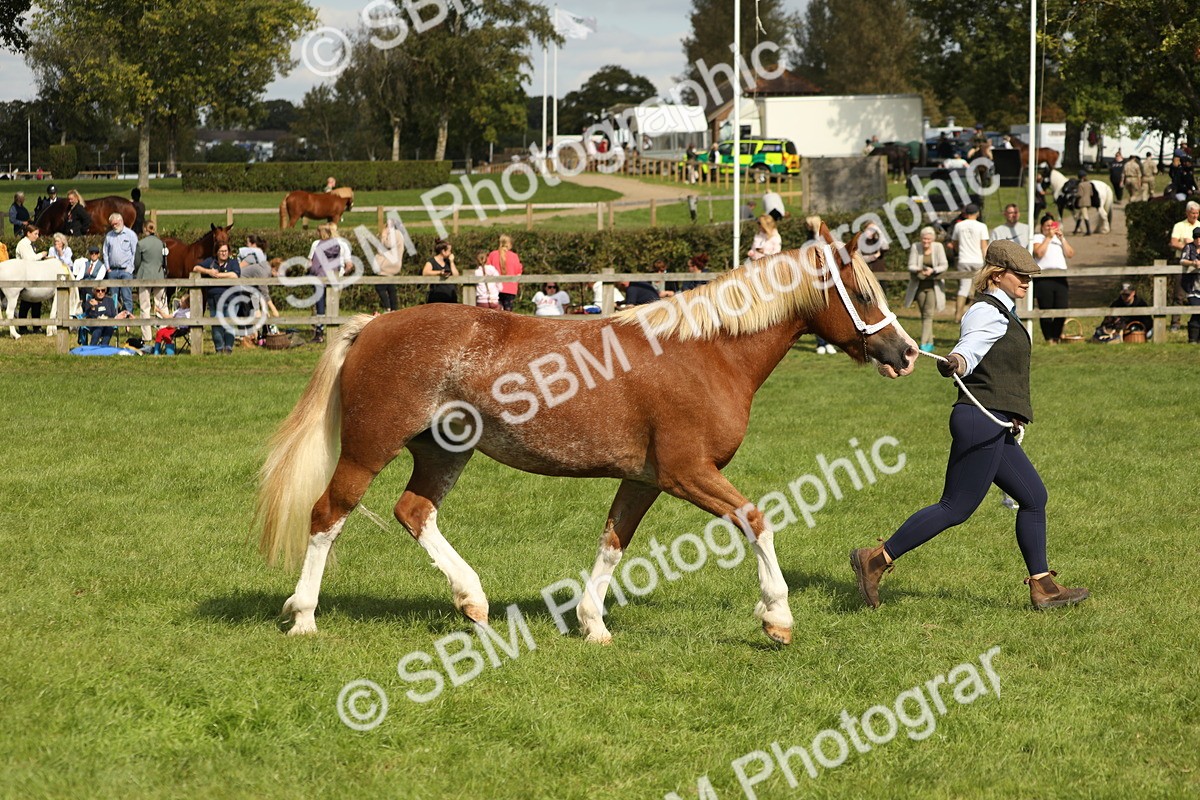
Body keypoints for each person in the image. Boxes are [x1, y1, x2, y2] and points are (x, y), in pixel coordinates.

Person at [850, 240, 1089, 612]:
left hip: (993, 423)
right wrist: (958, 362)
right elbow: (972, 346)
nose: (1027, 281)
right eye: (1021, 275)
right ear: (997, 275)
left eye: (1029, 276)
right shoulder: (986, 312)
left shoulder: (1005, 311)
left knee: (1033, 497)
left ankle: (1043, 586)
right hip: (980, 420)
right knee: (955, 508)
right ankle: (875, 559)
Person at [1031, 214, 1074, 343]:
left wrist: (1062, 239)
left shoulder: (1058, 239)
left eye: (1052, 225)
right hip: (1044, 278)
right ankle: (1049, 338)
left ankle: (1056, 335)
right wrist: (1048, 238)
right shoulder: (1038, 237)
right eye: (1047, 226)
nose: (1050, 228)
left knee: (1062, 308)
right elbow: (1038, 253)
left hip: (1060, 277)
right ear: (1042, 227)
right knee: (1046, 309)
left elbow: (1070, 254)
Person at [904, 226, 948, 352]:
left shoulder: (938, 247)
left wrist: (933, 270)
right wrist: (919, 269)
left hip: (934, 286)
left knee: (929, 314)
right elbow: (911, 265)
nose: (926, 242)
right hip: (919, 286)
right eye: (924, 239)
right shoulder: (915, 247)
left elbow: (944, 265)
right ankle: (930, 342)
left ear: (933, 239)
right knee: (924, 315)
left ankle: (923, 345)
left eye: (928, 239)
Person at [306, 224, 352, 343]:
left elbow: (313, 264)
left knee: (319, 306)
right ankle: (334, 333)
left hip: (320, 278)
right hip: (334, 277)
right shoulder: (339, 245)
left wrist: (311, 273)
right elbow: (345, 264)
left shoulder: (318, 245)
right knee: (332, 306)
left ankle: (319, 332)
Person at [192, 242, 241, 353]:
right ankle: (219, 349)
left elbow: (235, 275)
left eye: (225, 251)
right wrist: (208, 271)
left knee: (229, 324)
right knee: (216, 325)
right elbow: (195, 268)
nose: (224, 253)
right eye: (221, 251)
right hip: (214, 299)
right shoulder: (211, 261)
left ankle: (228, 348)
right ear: (217, 252)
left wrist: (218, 275)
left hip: (231, 298)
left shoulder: (233, 262)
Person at [947, 203, 988, 322]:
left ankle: (957, 316)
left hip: (963, 259)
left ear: (965, 213)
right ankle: (974, 316)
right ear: (977, 213)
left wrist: (959, 251)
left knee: (963, 288)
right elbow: (984, 246)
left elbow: (954, 243)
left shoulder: (959, 226)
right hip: (977, 260)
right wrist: (986, 261)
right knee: (979, 288)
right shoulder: (981, 226)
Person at [134, 220, 168, 341]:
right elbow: (165, 262)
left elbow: (137, 262)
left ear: (144, 229)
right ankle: (163, 333)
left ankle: (146, 336)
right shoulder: (162, 244)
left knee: (145, 306)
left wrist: (136, 272)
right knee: (162, 305)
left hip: (144, 275)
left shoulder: (141, 243)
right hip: (159, 275)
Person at [1169, 202, 1200, 330]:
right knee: (1179, 294)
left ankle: (1196, 322)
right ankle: (1175, 323)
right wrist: (1188, 248)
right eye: (1192, 213)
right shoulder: (1179, 226)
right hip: (1183, 263)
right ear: (1187, 213)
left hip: (1198, 263)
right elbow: (1174, 242)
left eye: (1197, 213)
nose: (1195, 215)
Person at [14, 223, 48, 332]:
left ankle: (36, 326)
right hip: (24, 276)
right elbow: (28, 259)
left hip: (32, 275)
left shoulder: (29, 244)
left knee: (36, 302)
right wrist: (41, 255)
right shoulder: (23, 244)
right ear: (28, 233)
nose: (37, 236)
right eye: (35, 234)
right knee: (26, 303)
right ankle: (23, 327)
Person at [103, 212, 138, 315]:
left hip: (125, 270)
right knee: (114, 296)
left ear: (121, 221)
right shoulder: (109, 235)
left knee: (127, 295)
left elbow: (135, 252)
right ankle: (115, 317)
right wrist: (107, 267)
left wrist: (130, 269)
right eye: (112, 225)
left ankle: (128, 317)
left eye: (116, 224)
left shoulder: (130, 234)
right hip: (113, 270)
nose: (114, 226)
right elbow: (105, 252)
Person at [373, 220, 404, 312]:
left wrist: (383, 235)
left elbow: (388, 244)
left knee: (380, 286)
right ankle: (393, 308)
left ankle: (388, 307)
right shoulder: (399, 234)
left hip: (387, 264)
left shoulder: (394, 233)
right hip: (392, 263)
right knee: (390, 287)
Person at [487, 234, 523, 311]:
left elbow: (487, 270)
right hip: (510, 289)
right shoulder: (514, 256)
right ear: (509, 244)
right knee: (508, 315)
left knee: (496, 315)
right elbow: (518, 272)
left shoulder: (492, 255)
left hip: (495, 289)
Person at [1180, 226, 1200, 344]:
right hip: (1192, 287)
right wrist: (1193, 263)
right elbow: (1182, 260)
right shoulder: (1188, 247)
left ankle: (1196, 339)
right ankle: (1192, 338)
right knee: (1197, 311)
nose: (1198, 239)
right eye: (1196, 237)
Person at [422, 239, 459, 304]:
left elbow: (456, 275)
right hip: (437, 297)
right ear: (443, 251)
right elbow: (425, 272)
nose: (451, 253)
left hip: (450, 297)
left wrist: (452, 262)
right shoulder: (431, 261)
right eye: (449, 251)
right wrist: (439, 273)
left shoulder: (449, 262)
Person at [1072, 170, 1095, 235]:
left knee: (1085, 216)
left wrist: (1075, 195)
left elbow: (1080, 194)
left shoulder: (1080, 185)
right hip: (1088, 202)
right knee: (1080, 216)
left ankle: (1088, 231)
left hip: (1082, 202)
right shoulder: (1089, 184)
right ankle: (1075, 230)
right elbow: (1091, 194)